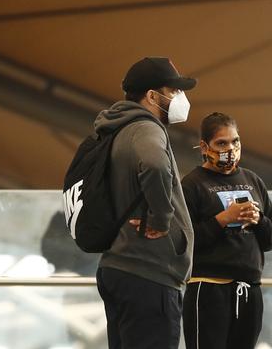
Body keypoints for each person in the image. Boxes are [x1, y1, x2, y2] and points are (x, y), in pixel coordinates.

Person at [94, 57, 196, 349]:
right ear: (152, 96)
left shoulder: (118, 128)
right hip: (148, 271)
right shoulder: (146, 128)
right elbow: (154, 164)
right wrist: (161, 219)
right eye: (173, 91)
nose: (179, 98)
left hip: (120, 265)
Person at [181, 112, 272, 349]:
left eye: (235, 141)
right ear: (205, 147)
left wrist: (259, 220)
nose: (231, 148)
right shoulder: (192, 184)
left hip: (249, 289)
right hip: (208, 288)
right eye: (221, 143)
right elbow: (183, 242)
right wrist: (223, 219)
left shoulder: (253, 180)